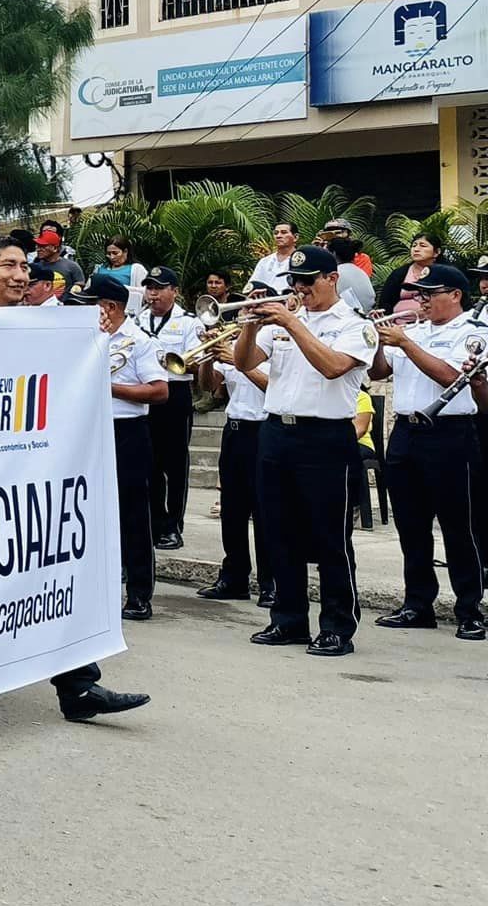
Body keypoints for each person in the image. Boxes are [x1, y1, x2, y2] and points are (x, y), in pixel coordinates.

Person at [0, 236, 151, 718]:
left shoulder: (41, 324)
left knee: (53, 572)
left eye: (23, 267)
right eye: (7, 266)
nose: (20, 275)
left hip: (30, 476)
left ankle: (79, 686)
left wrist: (94, 341)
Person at [234, 246, 376, 656]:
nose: (300, 288)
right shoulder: (286, 319)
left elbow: (333, 367)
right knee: (278, 531)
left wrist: (293, 323)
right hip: (277, 431)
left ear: (332, 279)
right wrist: (249, 326)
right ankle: (288, 618)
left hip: (326, 437)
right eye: (295, 281)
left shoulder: (354, 325)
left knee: (330, 536)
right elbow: (244, 362)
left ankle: (337, 625)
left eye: (308, 280)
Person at [369, 263, 485, 640]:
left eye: (430, 294)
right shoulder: (414, 330)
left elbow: (452, 376)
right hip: (406, 431)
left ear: (455, 295)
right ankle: (417, 603)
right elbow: (378, 373)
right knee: (411, 525)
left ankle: (469, 608)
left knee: (458, 525)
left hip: (449, 433)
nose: (421, 300)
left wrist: (405, 343)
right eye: (419, 294)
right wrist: (377, 340)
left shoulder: (472, 331)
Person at [69, 275, 166, 618]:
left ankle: (139, 594)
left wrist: (107, 387)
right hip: (88, 429)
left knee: (132, 514)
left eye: (91, 304)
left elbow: (159, 390)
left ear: (109, 307)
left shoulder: (139, 341)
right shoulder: (82, 338)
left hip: (126, 431)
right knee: (87, 511)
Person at [195, 326, 272, 604]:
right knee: (232, 509)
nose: (244, 315)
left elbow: (275, 388)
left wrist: (239, 362)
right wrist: (207, 356)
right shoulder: (235, 343)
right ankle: (234, 577)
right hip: (235, 430)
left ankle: (271, 582)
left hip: (264, 429)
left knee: (265, 510)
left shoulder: (276, 341)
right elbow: (208, 385)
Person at [131, 267, 200, 551]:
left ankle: (173, 525)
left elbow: (196, 361)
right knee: (150, 463)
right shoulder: (138, 320)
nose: (153, 294)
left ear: (174, 291)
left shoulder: (188, 322)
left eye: (159, 288)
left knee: (175, 464)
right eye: (149, 288)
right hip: (147, 393)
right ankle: (156, 522)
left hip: (175, 394)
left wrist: (172, 361)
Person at [378, 235, 444, 313]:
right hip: (398, 319)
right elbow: (385, 303)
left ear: (437, 252)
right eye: (414, 246)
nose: (416, 249)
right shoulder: (399, 273)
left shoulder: (446, 273)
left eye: (423, 246)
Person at [325, 234, 377, 315]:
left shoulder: (334, 275)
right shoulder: (361, 272)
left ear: (333, 254)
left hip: (348, 318)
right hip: (367, 316)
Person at [96, 237, 147, 314]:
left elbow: (146, 292)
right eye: (109, 254)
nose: (112, 257)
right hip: (100, 311)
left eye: (115, 253)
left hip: (124, 313)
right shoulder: (100, 268)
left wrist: (120, 288)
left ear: (125, 251)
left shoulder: (136, 268)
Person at [249, 223, 299, 294]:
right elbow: (252, 284)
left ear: (295, 237)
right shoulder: (264, 261)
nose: (278, 236)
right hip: (265, 299)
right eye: (276, 233)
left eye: (284, 232)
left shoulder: (301, 261)